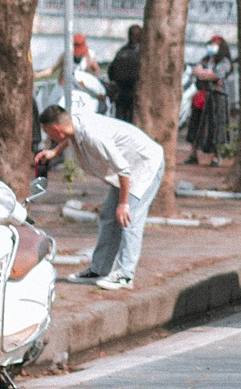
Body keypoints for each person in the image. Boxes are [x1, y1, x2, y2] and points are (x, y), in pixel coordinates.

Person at [33, 100, 165, 291]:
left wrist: (124, 204)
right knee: (109, 217)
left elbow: (124, 169)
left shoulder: (94, 135)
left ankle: (126, 274)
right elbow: (69, 137)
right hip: (128, 168)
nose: (48, 137)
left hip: (143, 165)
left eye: (48, 133)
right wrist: (54, 152)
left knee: (129, 218)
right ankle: (99, 269)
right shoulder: (73, 125)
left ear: (56, 129)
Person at [185, 35, 233, 165]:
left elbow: (216, 75)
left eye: (215, 44)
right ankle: (193, 154)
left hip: (217, 97)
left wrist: (204, 74)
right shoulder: (206, 60)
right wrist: (203, 74)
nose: (212, 46)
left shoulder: (224, 62)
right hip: (202, 96)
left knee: (217, 125)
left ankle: (216, 156)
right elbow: (196, 70)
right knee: (196, 124)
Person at [108, 24, 143, 122]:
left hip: (122, 92)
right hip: (132, 92)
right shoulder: (143, 53)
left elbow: (111, 72)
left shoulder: (121, 52)